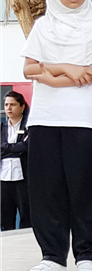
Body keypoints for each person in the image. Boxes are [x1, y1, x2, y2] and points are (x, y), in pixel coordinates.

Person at [19, 0, 92, 271]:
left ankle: (88, 257)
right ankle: (53, 258)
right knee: (46, 189)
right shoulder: (43, 26)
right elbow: (29, 69)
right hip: (45, 118)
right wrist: (68, 68)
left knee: (85, 188)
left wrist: (51, 75)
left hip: (84, 117)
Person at [0, 91, 30, 231]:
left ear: (22, 107)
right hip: (3, 178)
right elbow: (20, 147)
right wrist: (16, 148)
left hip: (23, 178)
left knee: (26, 215)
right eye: (6, 105)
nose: (9, 108)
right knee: (5, 216)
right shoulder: (1, 128)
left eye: (12, 104)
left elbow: (27, 147)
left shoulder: (28, 127)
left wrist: (5, 147)